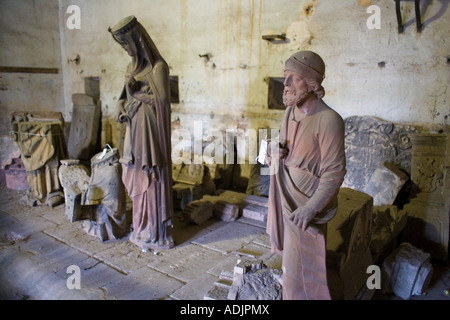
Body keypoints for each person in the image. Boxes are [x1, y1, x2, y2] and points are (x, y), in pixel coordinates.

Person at [266, 51, 346, 299]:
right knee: (290, 269)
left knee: (304, 274)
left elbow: (335, 171)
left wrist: (311, 208)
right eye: (285, 77)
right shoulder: (290, 112)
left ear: (313, 84)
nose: (286, 84)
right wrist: (273, 152)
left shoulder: (329, 120)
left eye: (295, 78)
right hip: (286, 196)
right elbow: (281, 152)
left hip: (305, 205)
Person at [109, 16, 174, 251]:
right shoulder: (130, 68)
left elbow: (163, 103)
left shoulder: (159, 68)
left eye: (126, 43)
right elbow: (122, 97)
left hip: (152, 137)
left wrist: (137, 95)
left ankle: (155, 232)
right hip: (134, 132)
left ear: (137, 40)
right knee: (136, 177)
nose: (126, 49)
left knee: (152, 177)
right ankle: (140, 228)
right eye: (122, 45)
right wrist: (120, 105)